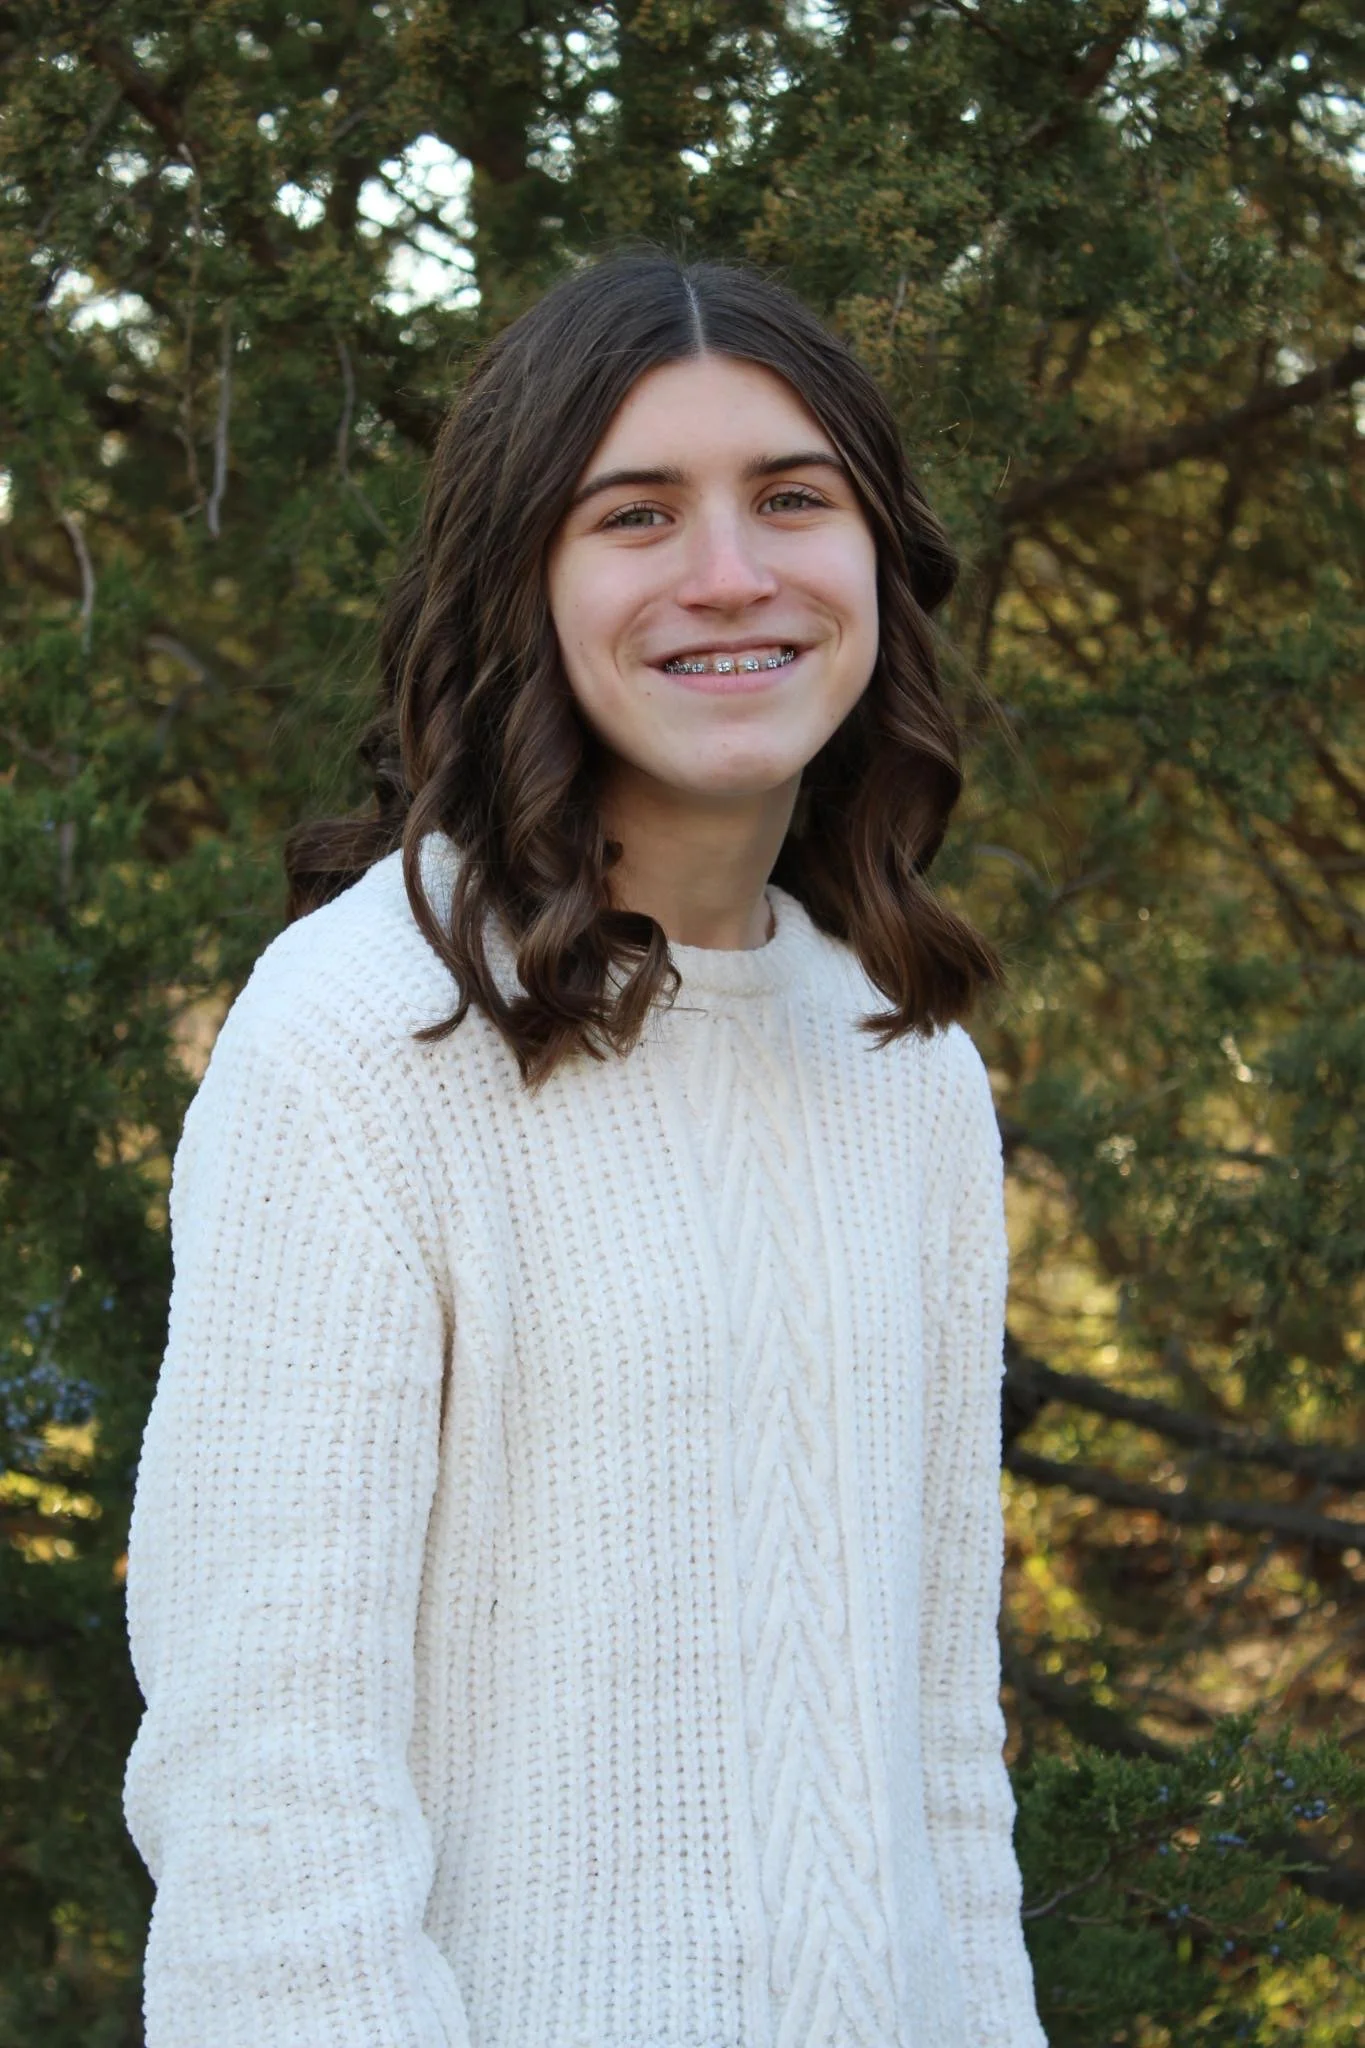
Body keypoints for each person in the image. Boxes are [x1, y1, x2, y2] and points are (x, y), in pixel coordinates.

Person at [122, 251, 1047, 2048]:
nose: (731, 573)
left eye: (794, 498)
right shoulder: (360, 1038)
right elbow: (267, 1787)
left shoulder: (905, 1061)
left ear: (876, 562)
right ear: (525, 582)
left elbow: (942, 1753)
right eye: (637, 514)